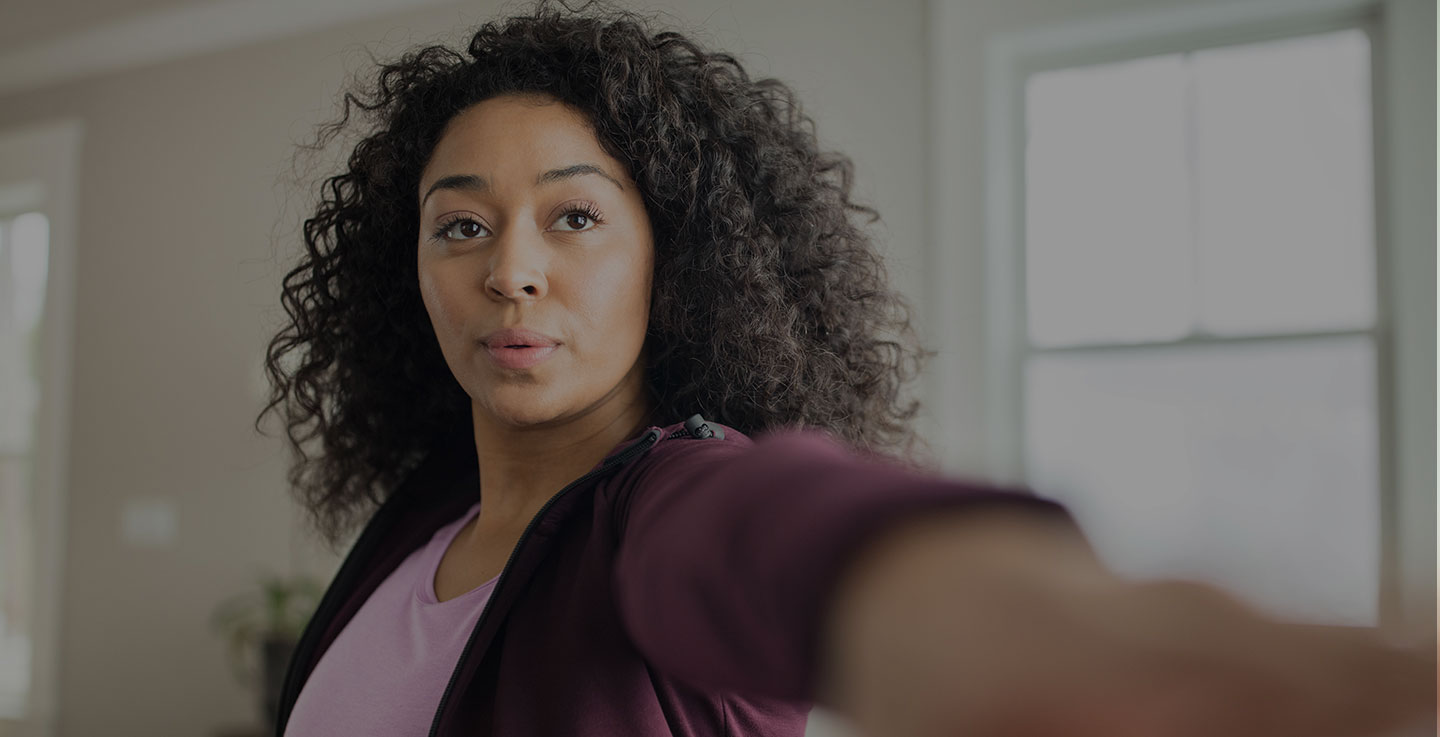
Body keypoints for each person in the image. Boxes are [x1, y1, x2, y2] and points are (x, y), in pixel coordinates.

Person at [256, 3, 1434, 736]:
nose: (510, 271)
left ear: (676, 261)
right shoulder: (419, 522)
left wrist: (1019, 624)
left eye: (574, 220)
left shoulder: (664, 505)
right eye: (460, 225)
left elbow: (786, 537)